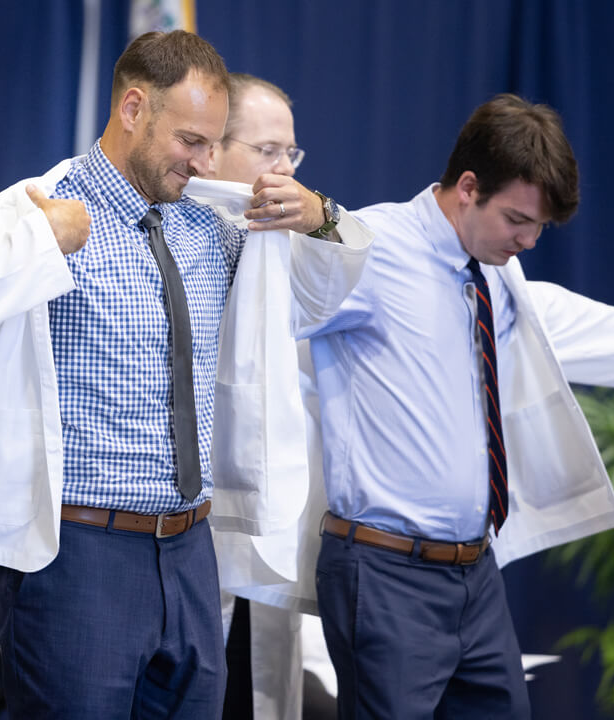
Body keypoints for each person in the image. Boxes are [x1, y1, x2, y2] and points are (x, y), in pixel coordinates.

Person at [0, 31, 372, 718]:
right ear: (131, 109)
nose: (206, 160)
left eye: (214, 142)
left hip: (189, 550)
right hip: (78, 555)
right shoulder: (40, 205)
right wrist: (40, 241)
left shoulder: (212, 225)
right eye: (190, 140)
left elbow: (316, 304)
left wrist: (323, 220)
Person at [304, 94, 614, 717]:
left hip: (475, 576)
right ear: (468, 187)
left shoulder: (494, 270)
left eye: (540, 227)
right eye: (517, 219)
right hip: (383, 571)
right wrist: (315, 223)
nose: (530, 240)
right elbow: (263, 320)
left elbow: (576, 327)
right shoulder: (367, 249)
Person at [202, 72, 335, 720]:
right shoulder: (175, 236)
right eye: (268, 152)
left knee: (260, 693)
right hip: (189, 530)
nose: (286, 170)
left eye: (292, 153)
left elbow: (354, 274)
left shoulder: (305, 238)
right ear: (210, 150)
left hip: (274, 523)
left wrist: (323, 221)